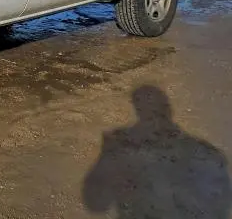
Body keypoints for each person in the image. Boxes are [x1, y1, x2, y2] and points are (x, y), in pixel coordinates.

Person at [83, 86, 231, 218]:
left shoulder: (203, 154)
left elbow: (219, 208)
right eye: (146, 116)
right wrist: (107, 160)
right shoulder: (122, 152)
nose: (152, 124)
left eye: (155, 114)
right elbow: (96, 204)